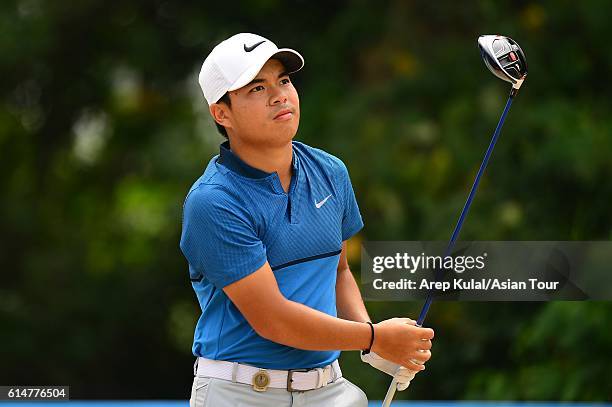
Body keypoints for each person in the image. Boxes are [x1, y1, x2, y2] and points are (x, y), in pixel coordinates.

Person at [180, 33, 434, 407]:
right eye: (256, 88)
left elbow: (338, 271)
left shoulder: (330, 171)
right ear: (222, 113)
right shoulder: (213, 201)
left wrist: (372, 342)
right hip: (240, 394)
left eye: (283, 80)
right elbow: (273, 320)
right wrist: (373, 337)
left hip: (330, 391)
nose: (279, 95)